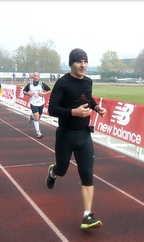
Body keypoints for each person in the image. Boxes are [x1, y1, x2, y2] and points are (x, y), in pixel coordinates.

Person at [46, 48, 107, 230]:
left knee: (87, 175)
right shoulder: (62, 83)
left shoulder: (88, 82)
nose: (83, 65)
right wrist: (74, 112)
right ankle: (53, 172)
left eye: (85, 62)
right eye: (79, 62)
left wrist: (96, 108)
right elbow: (52, 109)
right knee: (62, 170)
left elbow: (87, 98)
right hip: (65, 135)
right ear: (71, 63)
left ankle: (87, 215)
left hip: (84, 136)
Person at [23, 72, 51, 138]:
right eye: (35, 76)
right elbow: (24, 91)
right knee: (37, 117)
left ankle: (32, 117)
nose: (36, 77)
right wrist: (28, 93)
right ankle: (38, 132)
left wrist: (44, 94)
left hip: (41, 103)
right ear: (33, 77)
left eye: (37, 76)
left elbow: (50, 90)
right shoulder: (30, 84)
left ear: (39, 77)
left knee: (38, 117)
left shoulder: (42, 84)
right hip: (33, 103)